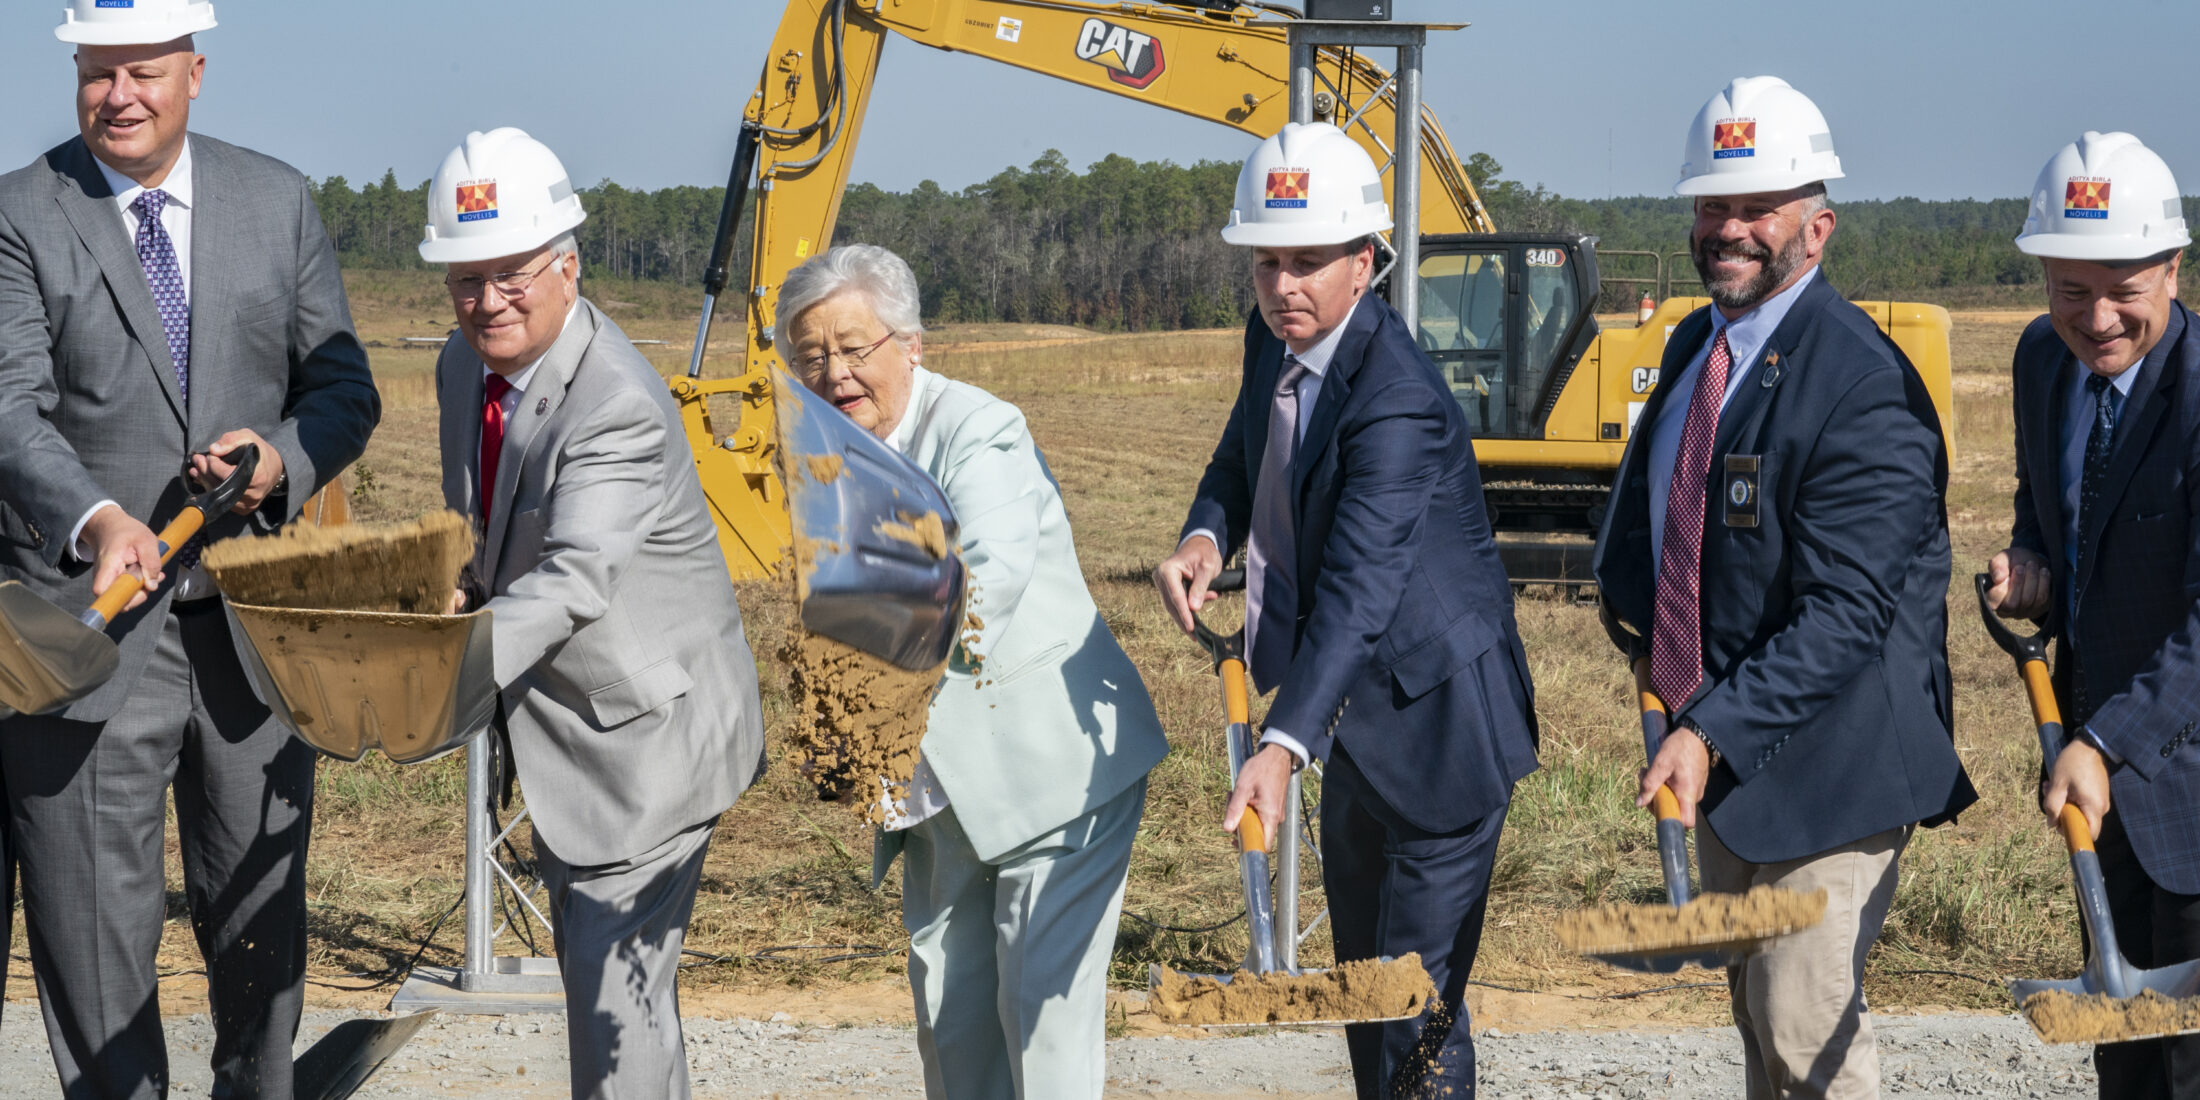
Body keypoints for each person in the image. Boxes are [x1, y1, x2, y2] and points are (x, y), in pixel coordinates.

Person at [0, 1, 379, 1093]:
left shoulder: (276, 200)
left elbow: (343, 387)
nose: (119, 94)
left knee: (258, 923)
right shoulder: (24, 212)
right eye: (96, 71)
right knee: (92, 936)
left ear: (195, 73)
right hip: (88, 634)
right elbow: (10, 408)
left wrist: (279, 460)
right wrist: (99, 516)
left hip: (251, 634)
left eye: (143, 71)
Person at [1592, 76, 1976, 1097]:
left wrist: (1708, 728)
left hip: (1832, 767)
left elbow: (1848, 612)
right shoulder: (1692, 346)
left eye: (1756, 207)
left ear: (1817, 229)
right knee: (1760, 1026)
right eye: (1712, 204)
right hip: (1727, 761)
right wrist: (1642, 633)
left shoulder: (1860, 385)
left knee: (1804, 1025)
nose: (1729, 228)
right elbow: (1660, 516)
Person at [1153, 122, 1539, 1098]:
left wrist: (1278, 746)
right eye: (1265, 261)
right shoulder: (1269, 335)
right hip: (1356, 726)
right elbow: (1243, 456)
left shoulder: (1394, 399)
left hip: (1441, 732)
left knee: (1413, 1013)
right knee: (1363, 1004)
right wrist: (1207, 535)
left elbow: (1361, 586)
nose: (1282, 285)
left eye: (1308, 262)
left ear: (1365, 261)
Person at [421, 128, 766, 1099]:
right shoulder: (461, 368)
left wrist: (438, 669)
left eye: (510, 273)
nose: (485, 299)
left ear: (566, 266)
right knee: (621, 995)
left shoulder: (612, 399)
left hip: (647, 742)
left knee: (615, 1007)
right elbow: (478, 531)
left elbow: (574, 580)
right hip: (568, 727)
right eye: (463, 277)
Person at [781, 243, 1168, 1100]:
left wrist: (858, 665)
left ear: (909, 344)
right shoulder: (825, 455)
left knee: (1040, 1021)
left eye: (855, 349)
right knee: (952, 1027)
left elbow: (985, 577)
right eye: (812, 357)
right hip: (940, 790)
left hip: (1051, 776)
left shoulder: (978, 428)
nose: (835, 373)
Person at [1985, 131, 2200, 1099]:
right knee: (2127, 1053)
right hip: (2101, 787)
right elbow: (2050, 496)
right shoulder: (2041, 359)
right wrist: (2032, 555)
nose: (2097, 317)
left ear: (2173, 265)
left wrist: (2105, 740)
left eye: (2124, 287)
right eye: (2070, 290)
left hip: (2178, 774)